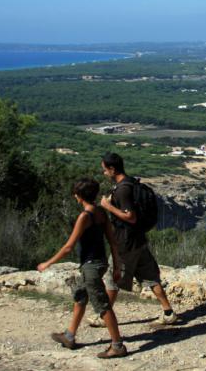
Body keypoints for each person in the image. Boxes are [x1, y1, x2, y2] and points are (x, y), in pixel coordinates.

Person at [37, 178, 127, 359]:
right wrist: (116, 265)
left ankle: (117, 345)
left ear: (79, 196)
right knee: (80, 296)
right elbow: (112, 240)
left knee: (103, 307)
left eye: (75, 194)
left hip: (90, 266)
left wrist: (48, 263)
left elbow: (68, 246)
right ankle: (69, 336)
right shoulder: (101, 212)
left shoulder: (85, 216)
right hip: (100, 262)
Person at [98, 152, 178, 325]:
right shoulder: (131, 182)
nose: (104, 173)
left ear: (112, 169)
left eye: (104, 170)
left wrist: (108, 206)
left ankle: (104, 317)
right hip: (138, 239)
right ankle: (168, 312)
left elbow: (130, 217)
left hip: (125, 241)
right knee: (150, 277)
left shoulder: (122, 189)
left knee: (112, 279)